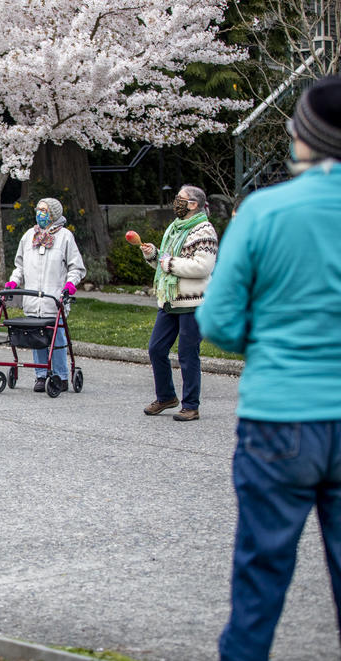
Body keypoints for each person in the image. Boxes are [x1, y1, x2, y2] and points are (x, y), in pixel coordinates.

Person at [197, 76, 341, 661]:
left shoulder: (264, 210)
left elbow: (219, 321)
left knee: (260, 575)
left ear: (305, 139)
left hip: (278, 414)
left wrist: (272, 338)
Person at [139, 185, 218, 421]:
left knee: (187, 353)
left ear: (193, 204)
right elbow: (165, 261)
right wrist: (154, 255)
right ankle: (166, 397)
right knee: (156, 349)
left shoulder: (204, 231)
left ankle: (191, 405)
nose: (176, 202)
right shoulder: (175, 228)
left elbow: (202, 266)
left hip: (194, 302)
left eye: (180, 199)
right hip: (171, 300)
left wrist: (168, 263)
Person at [4, 197, 86, 393]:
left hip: (53, 299)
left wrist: (69, 285)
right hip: (33, 300)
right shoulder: (29, 236)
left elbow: (76, 267)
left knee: (56, 339)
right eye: (38, 209)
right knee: (36, 338)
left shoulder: (65, 237)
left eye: (44, 210)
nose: (40, 213)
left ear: (54, 214)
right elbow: (20, 266)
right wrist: (13, 282)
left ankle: (61, 376)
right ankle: (41, 375)